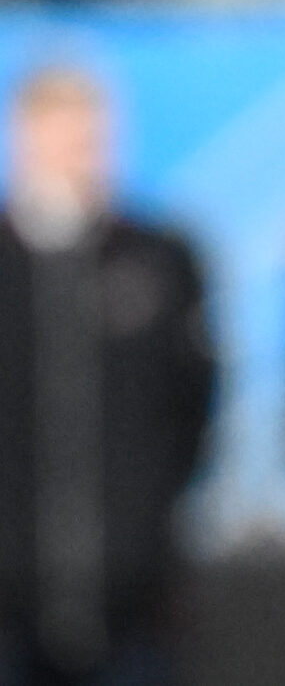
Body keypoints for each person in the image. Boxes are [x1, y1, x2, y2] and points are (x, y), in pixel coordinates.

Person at [0, 65, 215, 686]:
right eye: (63, 136)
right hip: (10, 598)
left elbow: (193, 409)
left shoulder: (160, 257)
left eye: (92, 136)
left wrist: (148, 518)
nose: (81, 154)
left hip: (133, 594)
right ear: (24, 139)